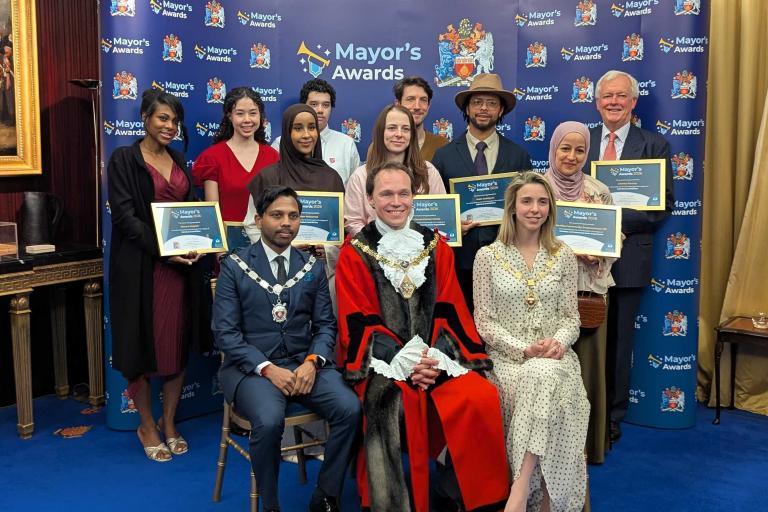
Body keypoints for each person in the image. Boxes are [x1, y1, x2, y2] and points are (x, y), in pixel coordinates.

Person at [336, 162, 509, 512]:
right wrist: (405, 361)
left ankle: (459, 493)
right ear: (370, 199)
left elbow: (450, 307)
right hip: (381, 362)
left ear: (414, 196)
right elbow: (356, 319)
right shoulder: (354, 253)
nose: (396, 202)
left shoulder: (435, 246)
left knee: (480, 396)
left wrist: (432, 359)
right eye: (386, 194)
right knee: (388, 402)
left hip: (436, 356)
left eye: (403, 193)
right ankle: (389, 503)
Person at [212, 186, 360, 512]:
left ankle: (326, 495)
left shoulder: (312, 266)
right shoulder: (234, 266)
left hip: (303, 364)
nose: (286, 223)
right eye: (277, 215)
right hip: (252, 371)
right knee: (268, 421)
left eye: (293, 216)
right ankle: (271, 505)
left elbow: (326, 325)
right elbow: (226, 334)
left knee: (350, 408)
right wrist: (267, 369)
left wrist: (313, 361)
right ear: (258, 219)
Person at [473, 172, 589, 512]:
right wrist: (522, 349)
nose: (535, 209)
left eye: (542, 202)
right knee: (543, 382)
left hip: (556, 357)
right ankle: (548, 501)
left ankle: (520, 488)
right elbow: (485, 322)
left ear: (550, 208)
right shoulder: (487, 257)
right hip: (508, 359)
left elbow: (571, 318)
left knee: (545, 375)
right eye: (527, 201)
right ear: (512, 207)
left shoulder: (563, 254)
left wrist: (559, 343)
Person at [107, 89, 202, 462]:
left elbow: (189, 210)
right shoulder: (124, 159)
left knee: (175, 345)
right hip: (141, 269)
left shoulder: (177, 158)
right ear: (145, 118)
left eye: (175, 121)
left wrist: (197, 242)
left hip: (179, 272)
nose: (169, 126)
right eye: (163, 118)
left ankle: (169, 421)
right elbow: (124, 217)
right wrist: (165, 250)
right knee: (140, 347)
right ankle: (146, 425)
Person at [584, 70, 674, 443]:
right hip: (581, 259)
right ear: (597, 102)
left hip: (629, 257)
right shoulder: (581, 140)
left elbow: (661, 206)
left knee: (620, 343)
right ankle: (581, 412)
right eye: (607, 96)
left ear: (633, 102)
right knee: (583, 339)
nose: (614, 102)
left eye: (621, 96)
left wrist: (610, 222)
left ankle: (612, 417)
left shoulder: (654, 145)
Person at [544, 121, 616, 465]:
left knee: (588, 372)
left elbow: (611, 242)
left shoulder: (599, 191)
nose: (571, 156)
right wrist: (567, 253)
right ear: (553, 148)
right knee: (551, 370)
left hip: (587, 293)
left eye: (580, 150)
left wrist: (599, 254)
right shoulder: (537, 187)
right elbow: (522, 237)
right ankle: (547, 449)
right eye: (565, 148)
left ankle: (586, 448)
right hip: (544, 296)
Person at [432, 73, 532, 312]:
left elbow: (529, 205)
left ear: (501, 110)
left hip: (507, 260)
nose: (484, 108)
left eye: (491, 103)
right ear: (467, 108)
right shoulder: (443, 156)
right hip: (458, 261)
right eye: (477, 102)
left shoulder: (518, 155)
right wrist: (452, 224)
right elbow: (435, 210)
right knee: (461, 325)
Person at [243, 104, 345, 241]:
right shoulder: (267, 177)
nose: (306, 135)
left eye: (312, 127)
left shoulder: (332, 178)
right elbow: (252, 225)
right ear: (287, 133)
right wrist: (278, 248)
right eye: (298, 128)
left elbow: (338, 228)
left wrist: (328, 249)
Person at [344, 104, 445, 236]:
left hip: (421, 247)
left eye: (405, 129)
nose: (399, 134)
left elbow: (441, 217)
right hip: (374, 247)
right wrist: (379, 244)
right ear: (381, 132)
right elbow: (353, 222)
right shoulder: (361, 176)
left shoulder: (428, 172)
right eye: (392, 128)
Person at [192, 87, 279, 222]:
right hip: (227, 234)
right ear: (229, 116)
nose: (247, 119)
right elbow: (212, 215)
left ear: (260, 116)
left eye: (253, 113)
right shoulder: (212, 157)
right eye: (240, 114)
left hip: (265, 234)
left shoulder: (273, 156)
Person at [271, 78, 360, 183]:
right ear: (303, 106)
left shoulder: (346, 144)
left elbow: (355, 187)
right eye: (314, 104)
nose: (320, 110)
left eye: (326, 105)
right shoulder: (281, 143)